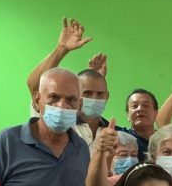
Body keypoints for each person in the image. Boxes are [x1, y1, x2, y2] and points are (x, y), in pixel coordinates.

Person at [25, 17, 109, 146]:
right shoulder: (59, 120)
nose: (93, 99)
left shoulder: (111, 132)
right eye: (87, 93)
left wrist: (96, 79)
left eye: (99, 94)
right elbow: (35, 84)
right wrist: (62, 48)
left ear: (107, 96)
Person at [119, 89, 159, 157]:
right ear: (127, 115)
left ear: (156, 113)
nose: (140, 109)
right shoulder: (119, 137)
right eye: (134, 106)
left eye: (146, 105)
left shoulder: (164, 141)